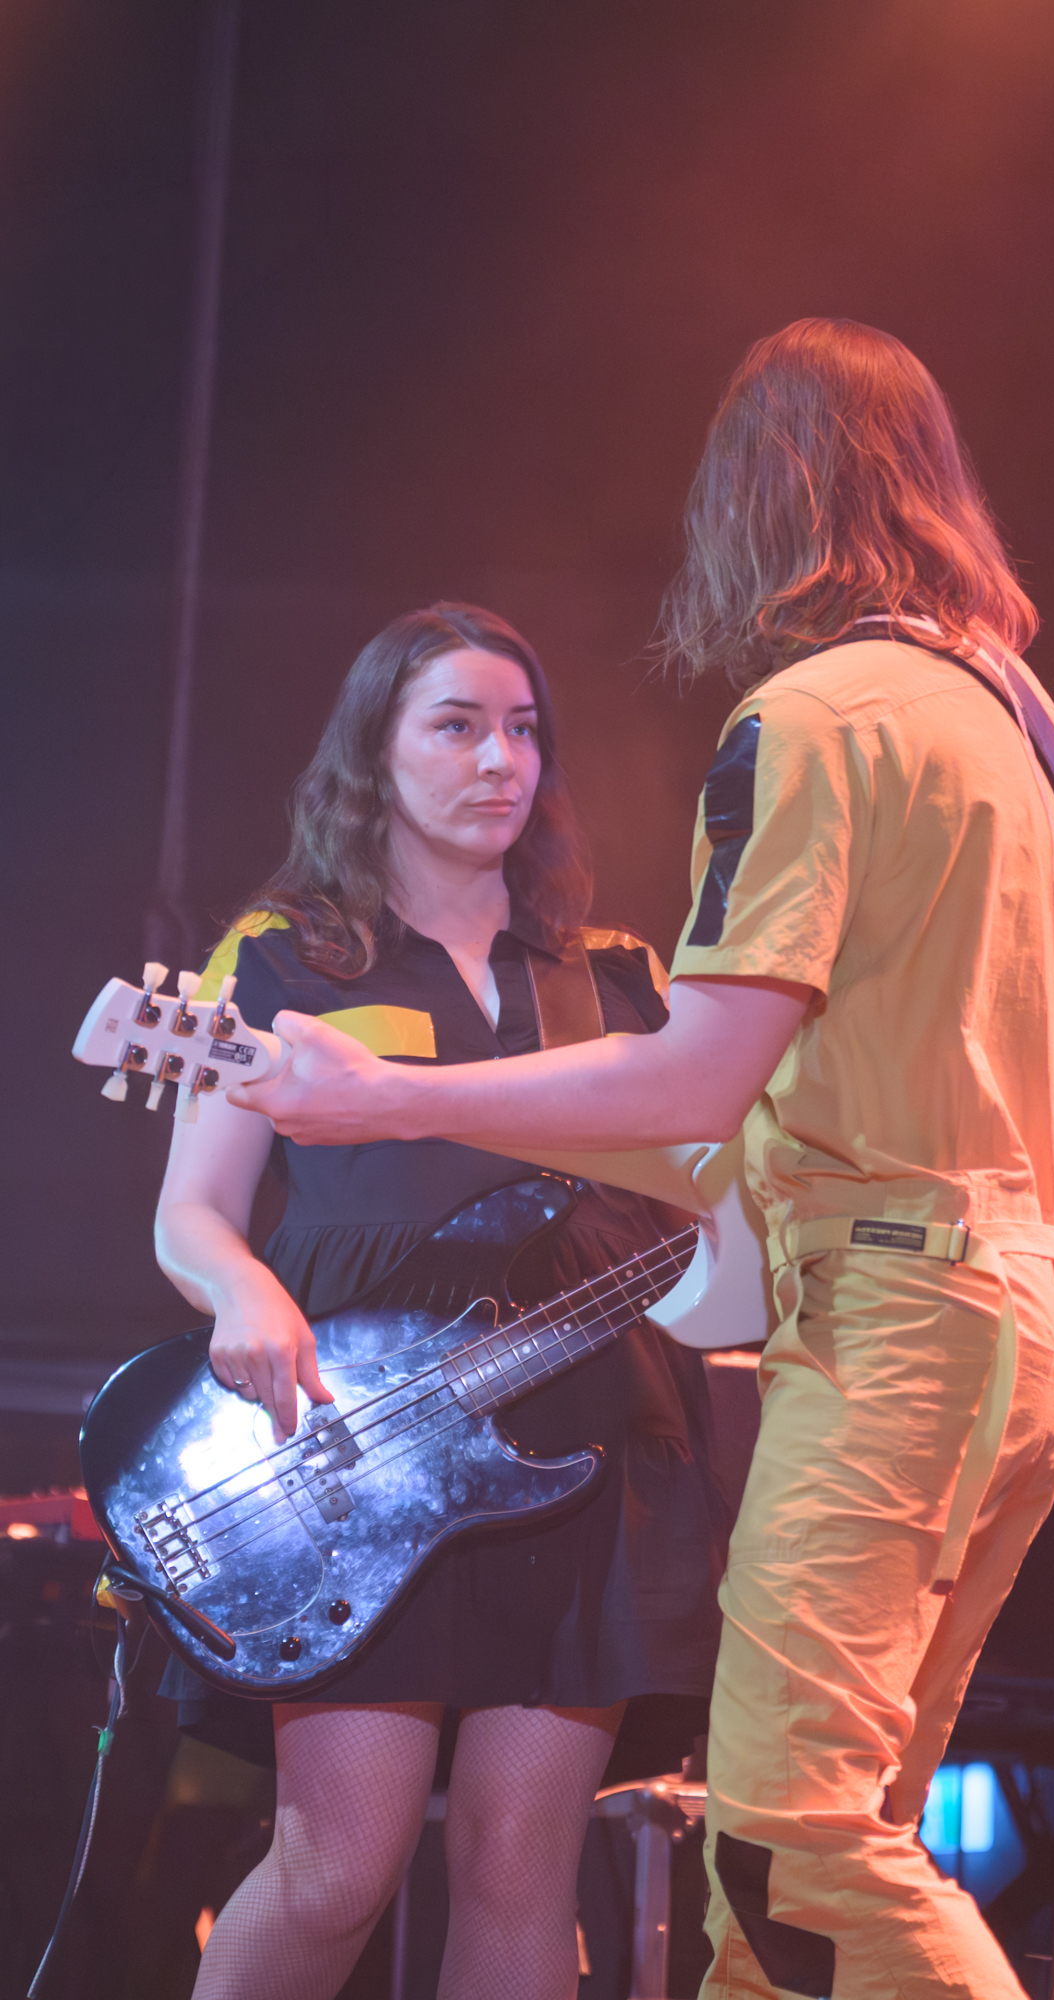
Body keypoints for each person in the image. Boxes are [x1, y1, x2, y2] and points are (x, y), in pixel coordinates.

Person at [236, 323, 1054, 1998]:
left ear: (760, 500)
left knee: (785, 1839)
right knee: (802, 1887)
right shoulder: (1014, 709)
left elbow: (694, 1069)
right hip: (1033, 1336)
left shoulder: (809, 718)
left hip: (895, 1325)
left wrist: (391, 1099)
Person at [154, 601, 732, 2000]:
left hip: (588, 1431)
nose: (499, 760)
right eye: (458, 726)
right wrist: (242, 1292)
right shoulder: (280, 958)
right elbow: (192, 1214)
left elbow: (709, 1193)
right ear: (375, 752)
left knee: (520, 1872)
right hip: (365, 1442)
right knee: (336, 1868)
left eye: (522, 731)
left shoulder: (618, 974)